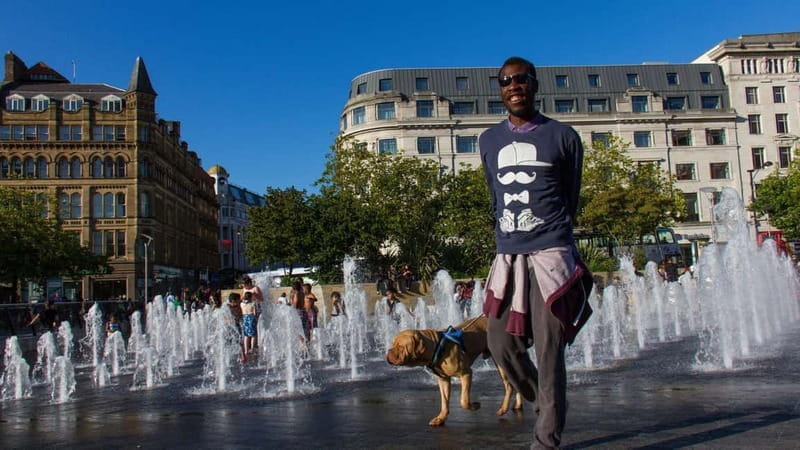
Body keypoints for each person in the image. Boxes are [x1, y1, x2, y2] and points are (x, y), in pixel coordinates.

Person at [480, 56, 594, 449]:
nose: (514, 86)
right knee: (499, 344)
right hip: (508, 256)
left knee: (549, 350)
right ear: (500, 89)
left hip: (550, 254)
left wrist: (558, 238)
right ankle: (546, 400)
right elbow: (495, 196)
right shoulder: (488, 141)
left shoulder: (562, 136)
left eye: (521, 79)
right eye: (506, 81)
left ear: (534, 84)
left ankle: (547, 435)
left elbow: (570, 194)